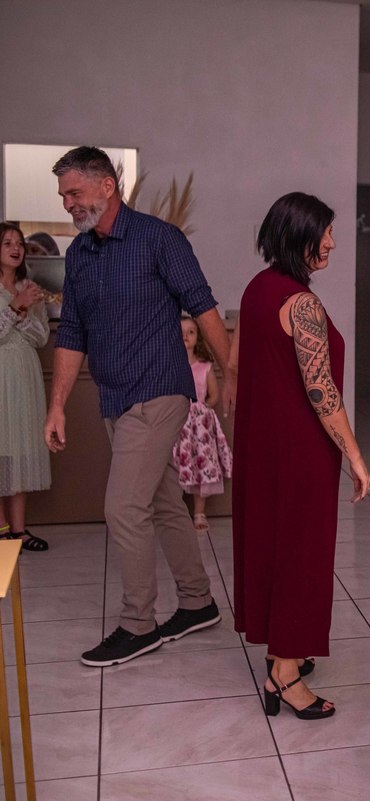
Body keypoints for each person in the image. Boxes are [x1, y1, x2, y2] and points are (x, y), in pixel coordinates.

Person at [44, 146, 229, 666]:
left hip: (159, 391)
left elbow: (204, 307)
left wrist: (233, 374)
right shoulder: (79, 254)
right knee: (163, 500)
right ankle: (197, 602)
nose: (67, 204)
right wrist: (57, 406)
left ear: (107, 187)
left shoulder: (158, 238)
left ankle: (138, 624)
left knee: (123, 507)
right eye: (63, 196)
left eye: (74, 193)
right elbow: (72, 332)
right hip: (115, 398)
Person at [230, 192, 370, 721]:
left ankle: (282, 650)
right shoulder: (302, 305)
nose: (332, 242)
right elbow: (322, 392)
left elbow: (241, 366)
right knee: (301, 556)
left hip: (265, 448)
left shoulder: (257, 288)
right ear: (298, 237)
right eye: (325, 232)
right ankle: (284, 676)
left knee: (274, 547)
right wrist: (355, 455)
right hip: (299, 452)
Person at [0, 223, 51, 551]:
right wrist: (15, 306)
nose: (16, 248)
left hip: (24, 375)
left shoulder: (29, 288)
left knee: (20, 449)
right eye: (7, 243)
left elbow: (41, 336)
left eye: (19, 243)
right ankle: (1, 530)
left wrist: (23, 309)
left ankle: (19, 530)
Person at [172, 316, 232, 533]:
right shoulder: (171, 366)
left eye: (191, 332)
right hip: (176, 421)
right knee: (175, 465)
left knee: (200, 464)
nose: (185, 336)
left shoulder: (204, 367)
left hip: (199, 425)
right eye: (181, 332)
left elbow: (213, 395)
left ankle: (199, 512)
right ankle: (173, 513)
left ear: (197, 337)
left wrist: (202, 407)